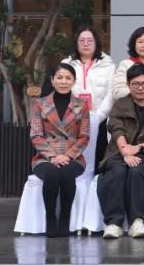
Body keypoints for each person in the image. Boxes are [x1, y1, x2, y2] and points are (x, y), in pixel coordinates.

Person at [96, 63, 144, 239]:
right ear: (128, 85)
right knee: (117, 170)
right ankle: (114, 223)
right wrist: (125, 151)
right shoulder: (120, 104)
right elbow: (116, 128)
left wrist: (137, 149)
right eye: (135, 84)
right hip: (118, 151)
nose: (140, 87)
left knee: (137, 170)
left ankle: (137, 221)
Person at [29, 64, 90, 238]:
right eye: (60, 78)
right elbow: (36, 135)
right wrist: (53, 156)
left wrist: (67, 156)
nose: (64, 82)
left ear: (74, 81)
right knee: (52, 173)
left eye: (68, 78)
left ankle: (65, 218)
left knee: (67, 173)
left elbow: (84, 136)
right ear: (52, 80)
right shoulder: (39, 104)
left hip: (74, 157)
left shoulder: (82, 105)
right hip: (44, 157)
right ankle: (50, 218)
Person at [61, 27, 116, 164]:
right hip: (73, 120)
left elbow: (111, 94)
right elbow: (62, 90)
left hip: (100, 120)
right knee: (74, 157)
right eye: (82, 40)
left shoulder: (108, 65)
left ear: (96, 43)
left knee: (98, 157)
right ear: (76, 43)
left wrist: (98, 117)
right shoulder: (66, 64)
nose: (86, 44)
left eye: (90, 40)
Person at [101, 27, 144, 117]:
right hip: (129, 115)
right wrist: (142, 96)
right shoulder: (125, 64)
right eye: (140, 42)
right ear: (134, 44)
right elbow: (117, 91)